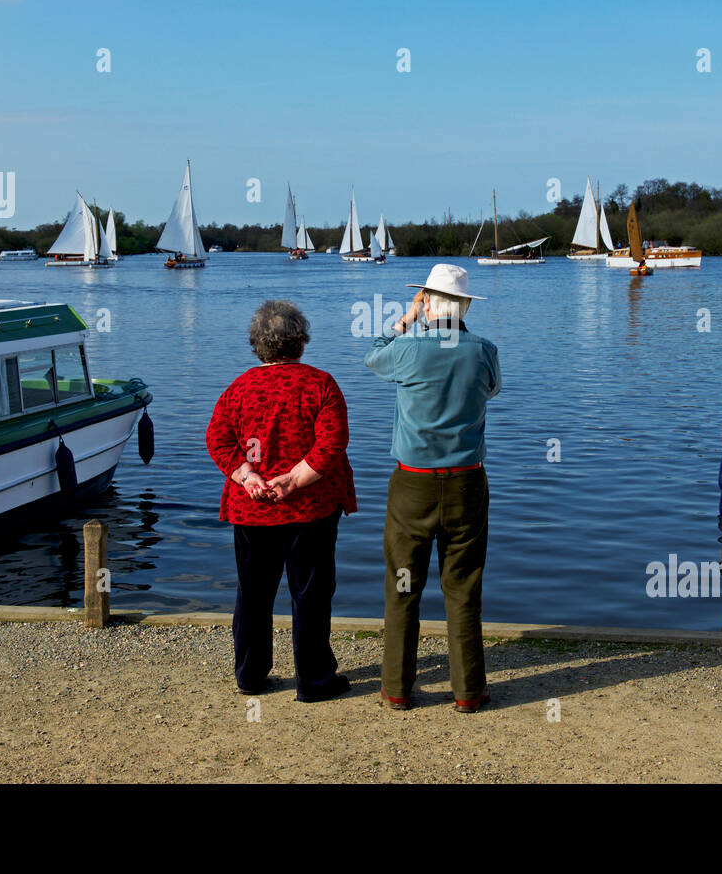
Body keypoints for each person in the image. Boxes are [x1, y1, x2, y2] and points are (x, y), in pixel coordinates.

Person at [365, 264, 501, 713]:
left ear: (427, 302)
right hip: (466, 482)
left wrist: (405, 320)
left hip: (413, 484)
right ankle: (468, 691)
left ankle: (398, 688)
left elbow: (374, 357)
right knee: (462, 586)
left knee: (403, 584)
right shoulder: (483, 350)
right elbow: (492, 390)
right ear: (463, 306)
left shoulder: (407, 348)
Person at [205, 300, 356, 702]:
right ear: (301, 341)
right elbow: (332, 444)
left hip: (252, 507)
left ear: (257, 345)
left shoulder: (237, 388)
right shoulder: (320, 383)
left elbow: (217, 440)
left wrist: (248, 475)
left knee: (253, 593)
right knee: (310, 593)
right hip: (311, 509)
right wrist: (294, 480)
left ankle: (250, 676)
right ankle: (314, 681)